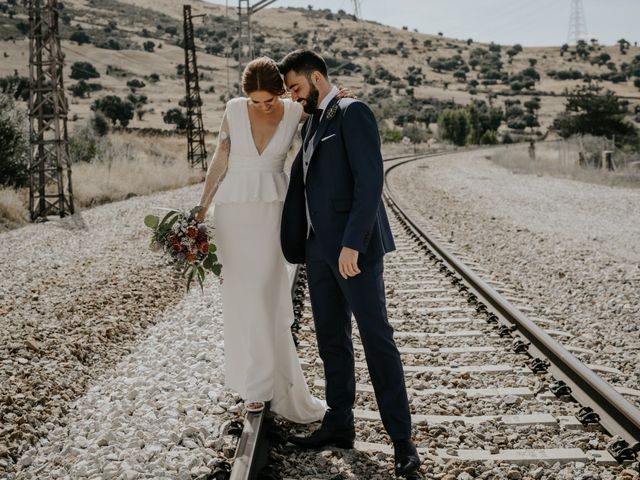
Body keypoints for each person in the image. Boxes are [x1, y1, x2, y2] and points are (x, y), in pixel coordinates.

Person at [278, 49, 421, 478]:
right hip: (318, 251)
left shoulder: (353, 112)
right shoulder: (313, 121)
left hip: (352, 251)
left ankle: (402, 441)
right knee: (331, 341)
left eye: (296, 88)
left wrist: (352, 245)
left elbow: (370, 180)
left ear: (317, 78)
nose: (292, 96)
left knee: (377, 340)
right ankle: (340, 423)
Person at [194, 57, 328, 423]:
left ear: (281, 93)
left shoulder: (292, 112)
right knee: (240, 295)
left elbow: (325, 104)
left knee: (266, 293)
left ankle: (267, 383)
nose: (263, 106)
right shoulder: (234, 110)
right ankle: (252, 386)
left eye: (270, 100)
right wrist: (202, 207)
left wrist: (340, 94)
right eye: (256, 101)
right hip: (233, 214)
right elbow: (220, 158)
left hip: (273, 213)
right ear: (245, 96)